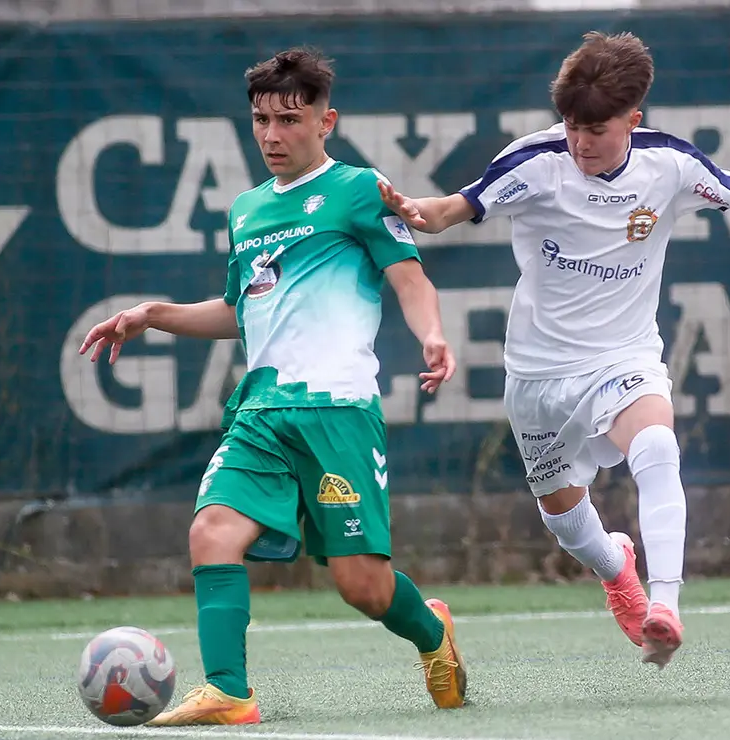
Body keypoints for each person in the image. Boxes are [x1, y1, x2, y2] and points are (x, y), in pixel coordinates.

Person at [377, 31, 730, 669]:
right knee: (561, 514)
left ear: (633, 120)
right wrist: (413, 210)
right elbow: (451, 209)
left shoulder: (670, 164)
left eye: (596, 129)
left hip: (625, 356)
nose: (579, 141)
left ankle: (664, 604)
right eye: (570, 126)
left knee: (658, 444)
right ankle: (617, 569)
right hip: (537, 372)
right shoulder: (535, 162)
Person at [79, 47, 467, 725]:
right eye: (261, 119)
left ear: (326, 120)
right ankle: (230, 690)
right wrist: (154, 315)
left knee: (362, 587)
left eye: (289, 119)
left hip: (336, 412)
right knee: (211, 533)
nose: (271, 134)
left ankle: (432, 633)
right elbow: (241, 310)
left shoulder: (357, 190)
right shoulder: (246, 210)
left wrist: (431, 334)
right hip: (260, 411)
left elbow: (411, 278)